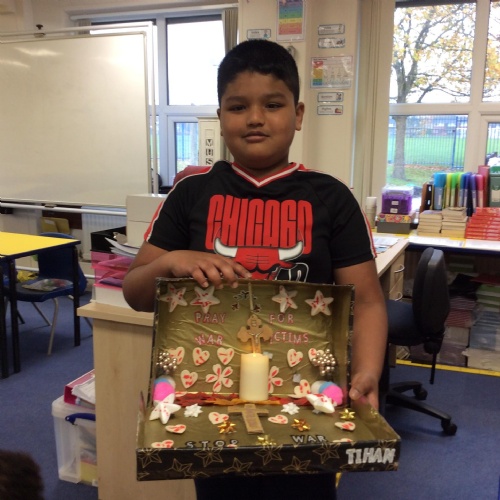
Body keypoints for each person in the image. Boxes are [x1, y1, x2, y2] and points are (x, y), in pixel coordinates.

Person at [123, 39, 387, 500]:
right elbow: (135, 292)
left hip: (306, 403)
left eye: (273, 104)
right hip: (209, 403)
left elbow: (366, 301)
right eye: (238, 106)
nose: (255, 118)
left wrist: (367, 371)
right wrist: (169, 261)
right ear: (221, 116)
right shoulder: (190, 195)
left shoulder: (332, 197)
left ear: (298, 114)